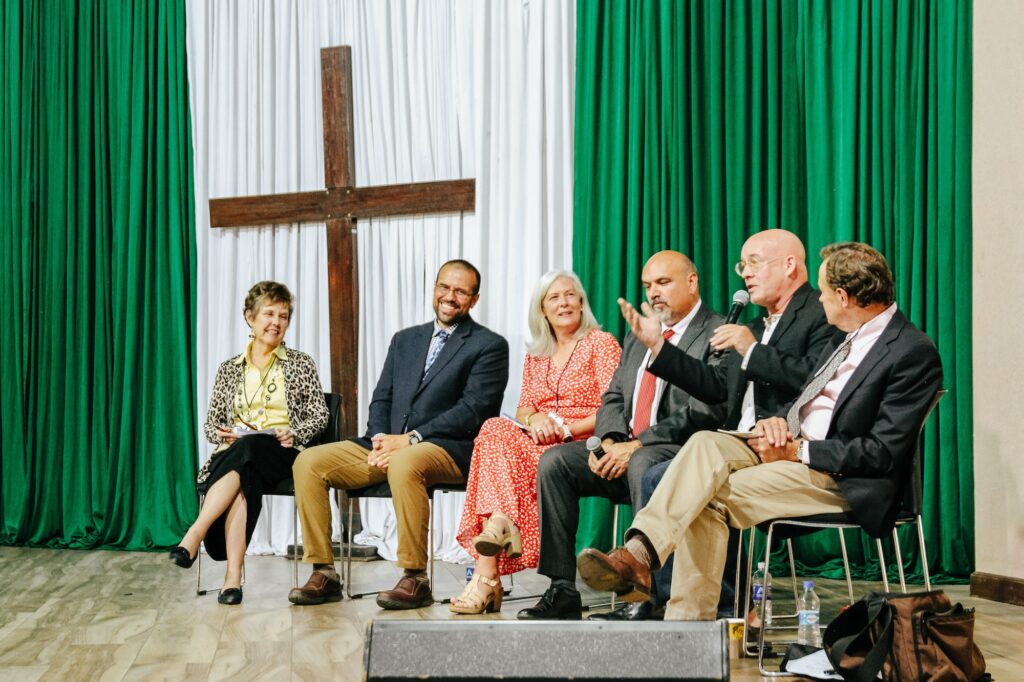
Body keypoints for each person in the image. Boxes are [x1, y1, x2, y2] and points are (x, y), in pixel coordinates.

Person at [576, 242, 943, 622]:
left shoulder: (910, 351)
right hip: (784, 442)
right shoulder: (843, 336)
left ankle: (684, 620)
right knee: (704, 444)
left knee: (704, 495)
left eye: (823, 293)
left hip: (837, 472)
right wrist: (780, 420)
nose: (819, 301)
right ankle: (641, 558)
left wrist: (798, 451)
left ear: (843, 297)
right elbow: (807, 397)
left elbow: (882, 452)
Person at [621, 228, 835, 622]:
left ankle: (701, 597)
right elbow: (717, 387)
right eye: (742, 266)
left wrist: (752, 350)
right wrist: (658, 347)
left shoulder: (821, 313)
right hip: (738, 443)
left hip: (783, 445)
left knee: (684, 474)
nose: (746, 273)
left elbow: (817, 378)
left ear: (789, 265)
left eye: (754, 263)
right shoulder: (756, 324)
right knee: (660, 474)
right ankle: (683, 603)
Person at [288, 259, 509, 610]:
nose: (449, 296)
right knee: (308, 462)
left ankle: (415, 577)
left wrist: (411, 439)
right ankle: (323, 571)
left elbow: (473, 410)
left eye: (460, 291)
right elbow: (382, 397)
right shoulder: (405, 339)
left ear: (474, 299)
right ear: (434, 288)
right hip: (389, 444)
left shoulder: (489, 345)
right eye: (444, 287)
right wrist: (379, 438)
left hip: (447, 449)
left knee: (406, 461)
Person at [518, 251, 728, 621]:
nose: (653, 293)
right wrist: (611, 441)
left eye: (663, 283)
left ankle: (648, 596)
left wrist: (637, 444)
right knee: (555, 462)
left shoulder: (717, 331)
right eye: (648, 286)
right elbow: (613, 396)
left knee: (644, 463)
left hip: (680, 451)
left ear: (692, 282)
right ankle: (562, 588)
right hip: (626, 447)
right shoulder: (639, 335)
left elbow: (708, 410)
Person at [449, 271, 621, 614]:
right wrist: (535, 420)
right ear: (542, 309)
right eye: (554, 298)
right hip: (540, 442)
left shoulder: (601, 343)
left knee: (512, 456)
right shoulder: (537, 354)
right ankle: (499, 527)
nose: (564, 303)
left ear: (582, 302)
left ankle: (487, 574)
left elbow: (613, 407)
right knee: (494, 428)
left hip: (583, 443)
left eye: (570, 295)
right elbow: (524, 407)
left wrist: (567, 429)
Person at [170, 281, 328, 606]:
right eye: (269, 314)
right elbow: (210, 425)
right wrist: (224, 434)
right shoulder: (229, 370)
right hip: (239, 455)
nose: (276, 322)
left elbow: (320, 415)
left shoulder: (300, 363)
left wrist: (294, 433)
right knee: (246, 464)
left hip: (283, 454)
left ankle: (195, 533)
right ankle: (232, 578)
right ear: (250, 317)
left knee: (251, 450)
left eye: (283, 316)